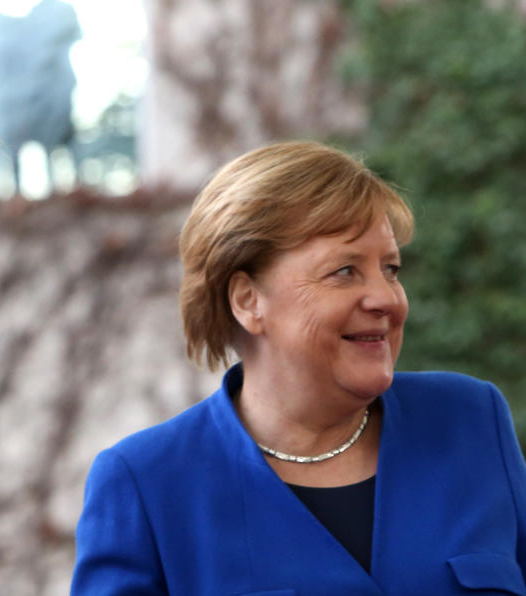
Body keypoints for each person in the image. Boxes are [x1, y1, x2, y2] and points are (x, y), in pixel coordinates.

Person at [71, 141, 526, 594]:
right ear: (249, 301)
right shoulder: (146, 484)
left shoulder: (470, 420)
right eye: (345, 271)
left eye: (390, 268)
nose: (387, 298)